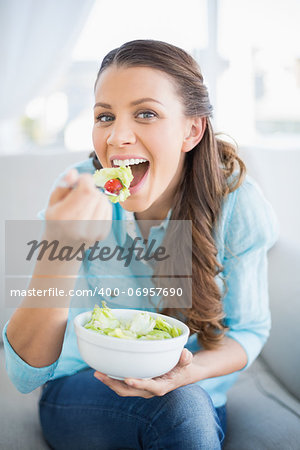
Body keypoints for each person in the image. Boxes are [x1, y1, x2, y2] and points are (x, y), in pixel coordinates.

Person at [3, 40, 279, 450]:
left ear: (192, 129)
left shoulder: (236, 202)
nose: (117, 137)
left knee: (180, 404)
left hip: (195, 398)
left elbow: (249, 330)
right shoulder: (76, 191)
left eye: (146, 113)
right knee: (177, 408)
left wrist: (186, 374)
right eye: (104, 116)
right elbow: (26, 375)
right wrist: (59, 248)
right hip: (83, 392)